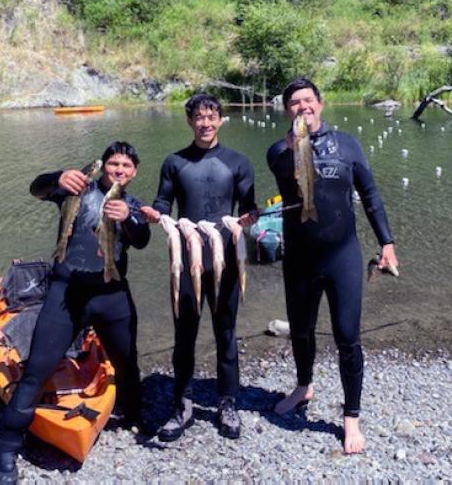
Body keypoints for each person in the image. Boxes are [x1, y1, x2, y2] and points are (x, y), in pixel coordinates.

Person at [0, 141, 150, 483]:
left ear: (134, 172)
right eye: (113, 164)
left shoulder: (132, 204)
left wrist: (131, 220)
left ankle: (133, 414)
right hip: (66, 294)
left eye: (126, 166)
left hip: (112, 297)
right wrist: (57, 177)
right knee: (36, 370)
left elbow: (142, 240)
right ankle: (6, 447)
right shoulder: (75, 190)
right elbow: (36, 189)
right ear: (104, 166)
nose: (119, 170)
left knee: (127, 361)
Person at [266, 78, 399, 454]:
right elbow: (280, 169)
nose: (302, 107)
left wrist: (386, 242)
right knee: (302, 332)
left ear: (321, 105)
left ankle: (351, 417)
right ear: (286, 110)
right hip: (300, 259)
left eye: (308, 100)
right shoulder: (279, 150)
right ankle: (303, 385)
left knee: (347, 338)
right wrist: (294, 149)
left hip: (342, 255)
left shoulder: (348, 144)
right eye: (294, 102)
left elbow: (370, 194)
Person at [140, 93, 257, 441]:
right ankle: (182, 405)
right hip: (187, 258)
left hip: (226, 257)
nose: (205, 123)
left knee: (226, 333)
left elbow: (249, 206)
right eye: (199, 118)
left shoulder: (238, 162)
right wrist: (155, 213)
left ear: (220, 120)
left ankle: (228, 403)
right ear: (190, 122)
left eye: (211, 117)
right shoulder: (174, 162)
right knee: (184, 335)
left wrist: (252, 216)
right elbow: (164, 201)